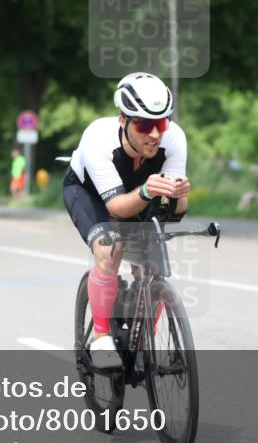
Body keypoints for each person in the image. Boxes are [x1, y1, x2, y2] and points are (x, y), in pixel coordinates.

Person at [63, 72, 189, 368]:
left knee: (154, 260)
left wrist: (181, 195)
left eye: (161, 124)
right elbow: (118, 208)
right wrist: (146, 190)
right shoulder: (98, 138)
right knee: (109, 249)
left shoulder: (174, 139)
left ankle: (142, 335)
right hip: (89, 191)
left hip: (140, 190)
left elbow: (177, 211)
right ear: (124, 120)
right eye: (145, 125)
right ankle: (101, 336)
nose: (155, 134)